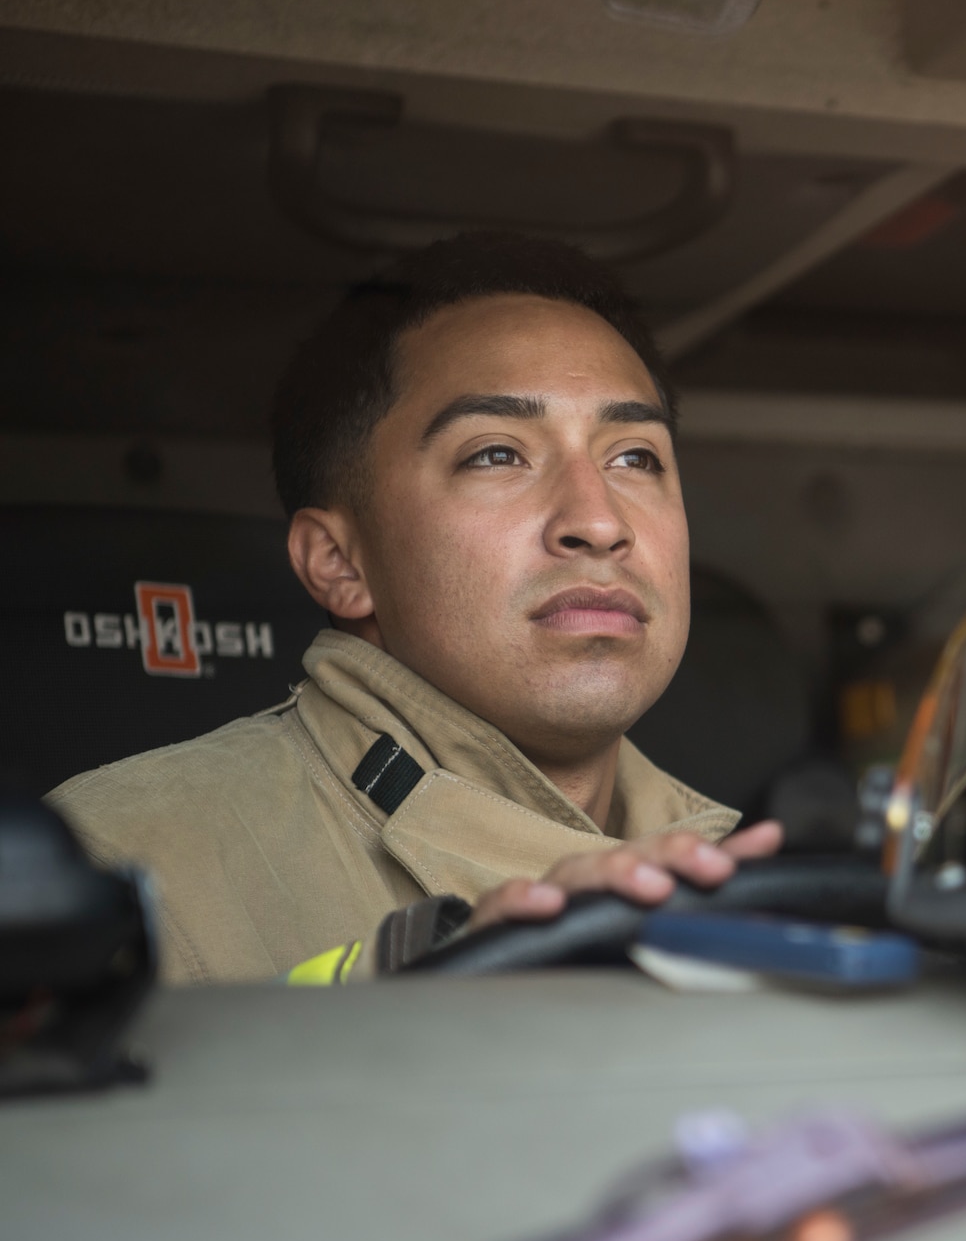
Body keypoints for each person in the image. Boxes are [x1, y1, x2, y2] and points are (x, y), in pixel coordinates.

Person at [46, 233, 781, 984]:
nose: (598, 521)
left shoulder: (762, 875)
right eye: (497, 453)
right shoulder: (111, 871)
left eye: (636, 457)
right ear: (339, 562)